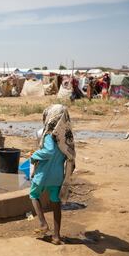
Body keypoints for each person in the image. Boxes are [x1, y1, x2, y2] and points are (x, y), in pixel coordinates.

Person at [30, 104, 76, 245]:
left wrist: (34, 156)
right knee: (56, 202)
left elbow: (48, 152)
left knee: (33, 195)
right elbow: (70, 156)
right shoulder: (66, 138)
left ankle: (43, 224)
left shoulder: (50, 135)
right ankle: (56, 236)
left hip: (43, 174)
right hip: (57, 176)